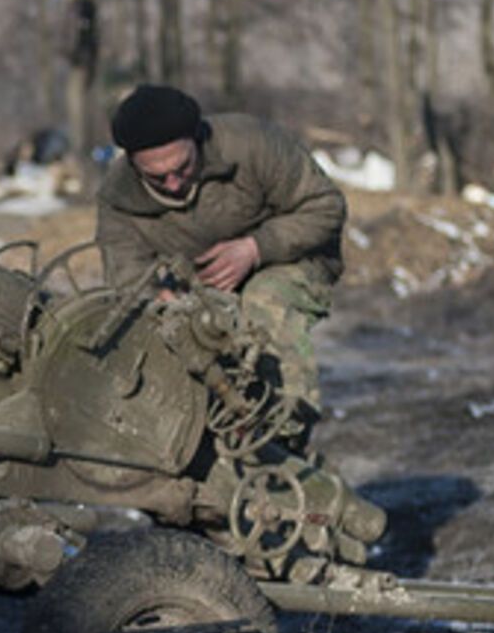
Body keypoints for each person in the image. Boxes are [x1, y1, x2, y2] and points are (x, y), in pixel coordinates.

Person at [95, 84, 345, 415]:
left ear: (197, 139)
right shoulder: (118, 197)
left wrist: (256, 248)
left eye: (183, 168)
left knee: (264, 301)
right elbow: (126, 279)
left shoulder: (251, 143)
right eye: (157, 178)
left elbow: (325, 207)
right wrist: (160, 302)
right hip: (199, 288)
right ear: (132, 164)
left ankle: (286, 425)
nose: (174, 184)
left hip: (293, 260)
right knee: (166, 339)